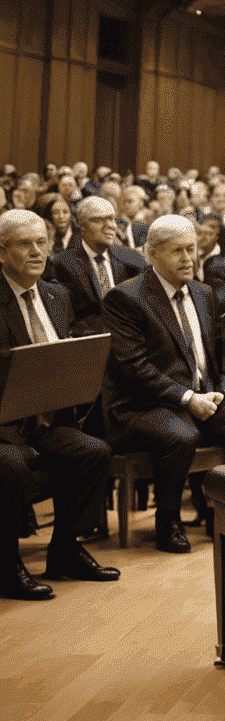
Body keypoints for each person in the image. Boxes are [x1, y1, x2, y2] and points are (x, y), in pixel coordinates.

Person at [100, 215, 225, 553]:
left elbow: (220, 355)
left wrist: (220, 390)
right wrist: (187, 398)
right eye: (176, 252)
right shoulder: (125, 298)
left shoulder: (203, 292)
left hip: (200, 397)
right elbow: (133, 369)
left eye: (191, 250)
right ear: (151, 254)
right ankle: (168, 521)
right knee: (182, 435)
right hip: (142, 405)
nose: (187, 259)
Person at [0, 209, 119, 598]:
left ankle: (65, 548)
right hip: (2, 426)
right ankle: (6, 563)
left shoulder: (57, 295)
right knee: (12, 463)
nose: (36, 252)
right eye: (24, 244)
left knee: (93, 451)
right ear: (2, 252)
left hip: (43, 420)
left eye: (42, 243)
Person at [49, 195, 146, 335]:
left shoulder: (132, 258)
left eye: (112, 219)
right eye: (99, 220)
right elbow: (69, 322)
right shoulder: (62, 264)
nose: (110, 226)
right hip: (93, 344)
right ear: (81, 224)